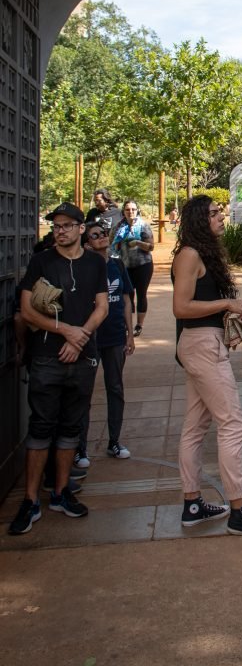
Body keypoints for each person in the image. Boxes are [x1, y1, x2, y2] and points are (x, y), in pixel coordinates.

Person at [173, 196, 242, 537]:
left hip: (203, 343)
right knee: (233, 423)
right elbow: (181, 307)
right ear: (198, 220)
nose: (221, 217)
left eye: (220, 212)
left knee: (195, 426)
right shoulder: (190, 254)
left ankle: (193, 504)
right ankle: (238, 508)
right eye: (214, 213)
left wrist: (225, 319)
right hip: (201, 346)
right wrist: (228, 303)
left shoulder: (202, 254)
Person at [8, 202, 108, 535]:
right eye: (56, 226)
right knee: (40, 428)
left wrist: (80, 338)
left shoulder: (95, 262)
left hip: (81, 358)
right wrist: (65, 331)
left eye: (66, 225)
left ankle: (62, 493)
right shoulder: (42, 261)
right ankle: (31, 499)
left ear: (81, 229)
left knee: (71, 427)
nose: (60, 230)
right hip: (47, 357)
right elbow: (26, 310)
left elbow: (102, 306)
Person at [78, 221, 135, 461]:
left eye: (103, 233)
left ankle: (114, 441)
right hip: (90, 339)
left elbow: (126, 300)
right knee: (83, 392)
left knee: (115, 387)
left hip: (115, 336)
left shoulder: (117, 265)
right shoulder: (83, 269)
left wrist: (130, 334)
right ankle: (79, 447)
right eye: (95, 235)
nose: (102, 237)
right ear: (87, 243)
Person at [110, 200, 154, 337]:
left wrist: (138, 243)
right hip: (125, 265)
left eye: (133, 209)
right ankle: (126, 324)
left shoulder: (143, 226)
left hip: (143, 265)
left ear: (137, 210)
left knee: (141, 294)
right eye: (128, 209)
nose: (131, 212)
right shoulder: (118, 227)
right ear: (123, 211)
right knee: (127, 295)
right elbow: (111, 243)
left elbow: (151, 246)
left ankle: (139, 325)